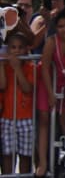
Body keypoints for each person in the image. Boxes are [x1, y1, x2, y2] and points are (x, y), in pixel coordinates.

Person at [35, 10, 65, 175]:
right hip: (46, 82)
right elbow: (45, 68)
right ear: (57, 28)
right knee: (44, 120)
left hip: (64, 82)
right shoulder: (50, 42)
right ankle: (42, 163)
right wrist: (49, 93)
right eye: (61, 26)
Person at [0, 30, 35, 176]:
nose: (17, 51)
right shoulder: (5, 66)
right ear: (8, 49)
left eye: (20, 47)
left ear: (26, 49)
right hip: (7, 118)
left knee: (25, 156)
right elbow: (2, 85)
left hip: (25, 118)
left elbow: (27, 88)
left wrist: (17, 68)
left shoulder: (30, 66)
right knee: (7, 155)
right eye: (13, 47)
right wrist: (2, 65)